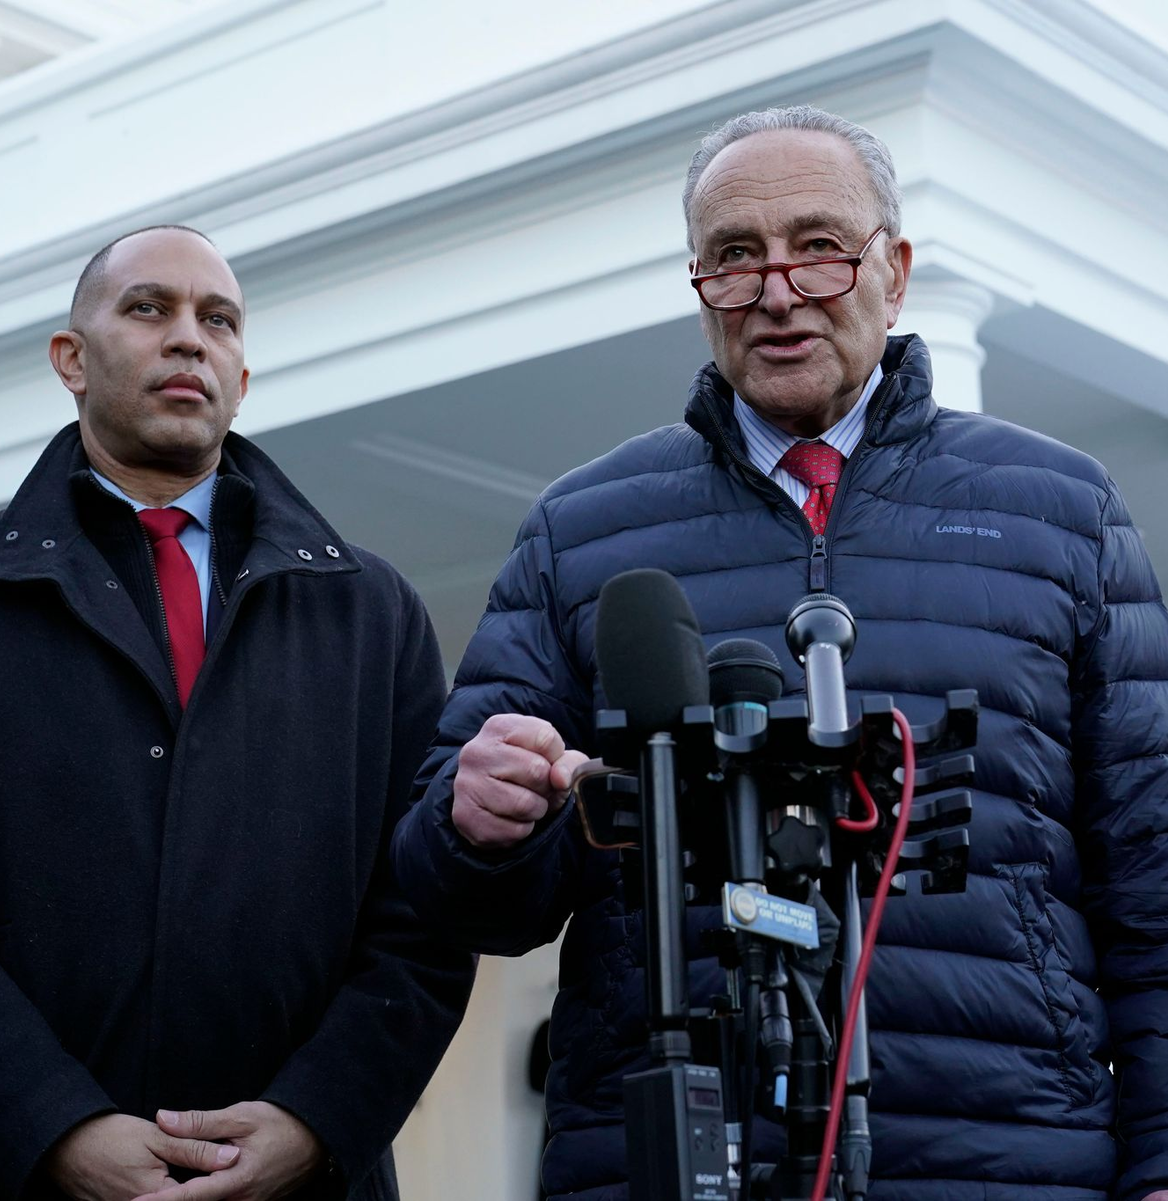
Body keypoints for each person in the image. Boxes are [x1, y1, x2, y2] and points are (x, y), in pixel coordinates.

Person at [391, 105, 1168, 1200]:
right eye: (735, 257)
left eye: (819, 246)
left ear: (893, 271)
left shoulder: (1065, 510)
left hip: (1006, 1152)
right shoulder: (580, 529)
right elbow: (469, 897)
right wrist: (474, 823)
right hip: (658, 1148)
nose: (778, 289)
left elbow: (1152, 865)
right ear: (698, 284)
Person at [0, 225, 474, 1201]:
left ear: (243, 373)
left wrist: (315, 1119)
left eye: (218, 319)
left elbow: (425, 918)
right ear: (72, 359)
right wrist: (54, 1126)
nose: (188, 338)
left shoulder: (373, 613)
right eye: (149, 308)